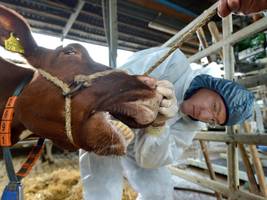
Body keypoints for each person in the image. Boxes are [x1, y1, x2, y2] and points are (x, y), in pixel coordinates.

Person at [79, 1, 264, 199]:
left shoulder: (188, 128)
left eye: (212, 121)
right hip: (107, 123)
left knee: (160, 189)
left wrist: (159, 126)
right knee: (104, 188)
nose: (204, 115)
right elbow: (120, 78)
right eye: (214, 106)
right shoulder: (174, 64)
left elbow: (149, 161)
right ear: (211, 87)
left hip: (137, 149)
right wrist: (148, 93)